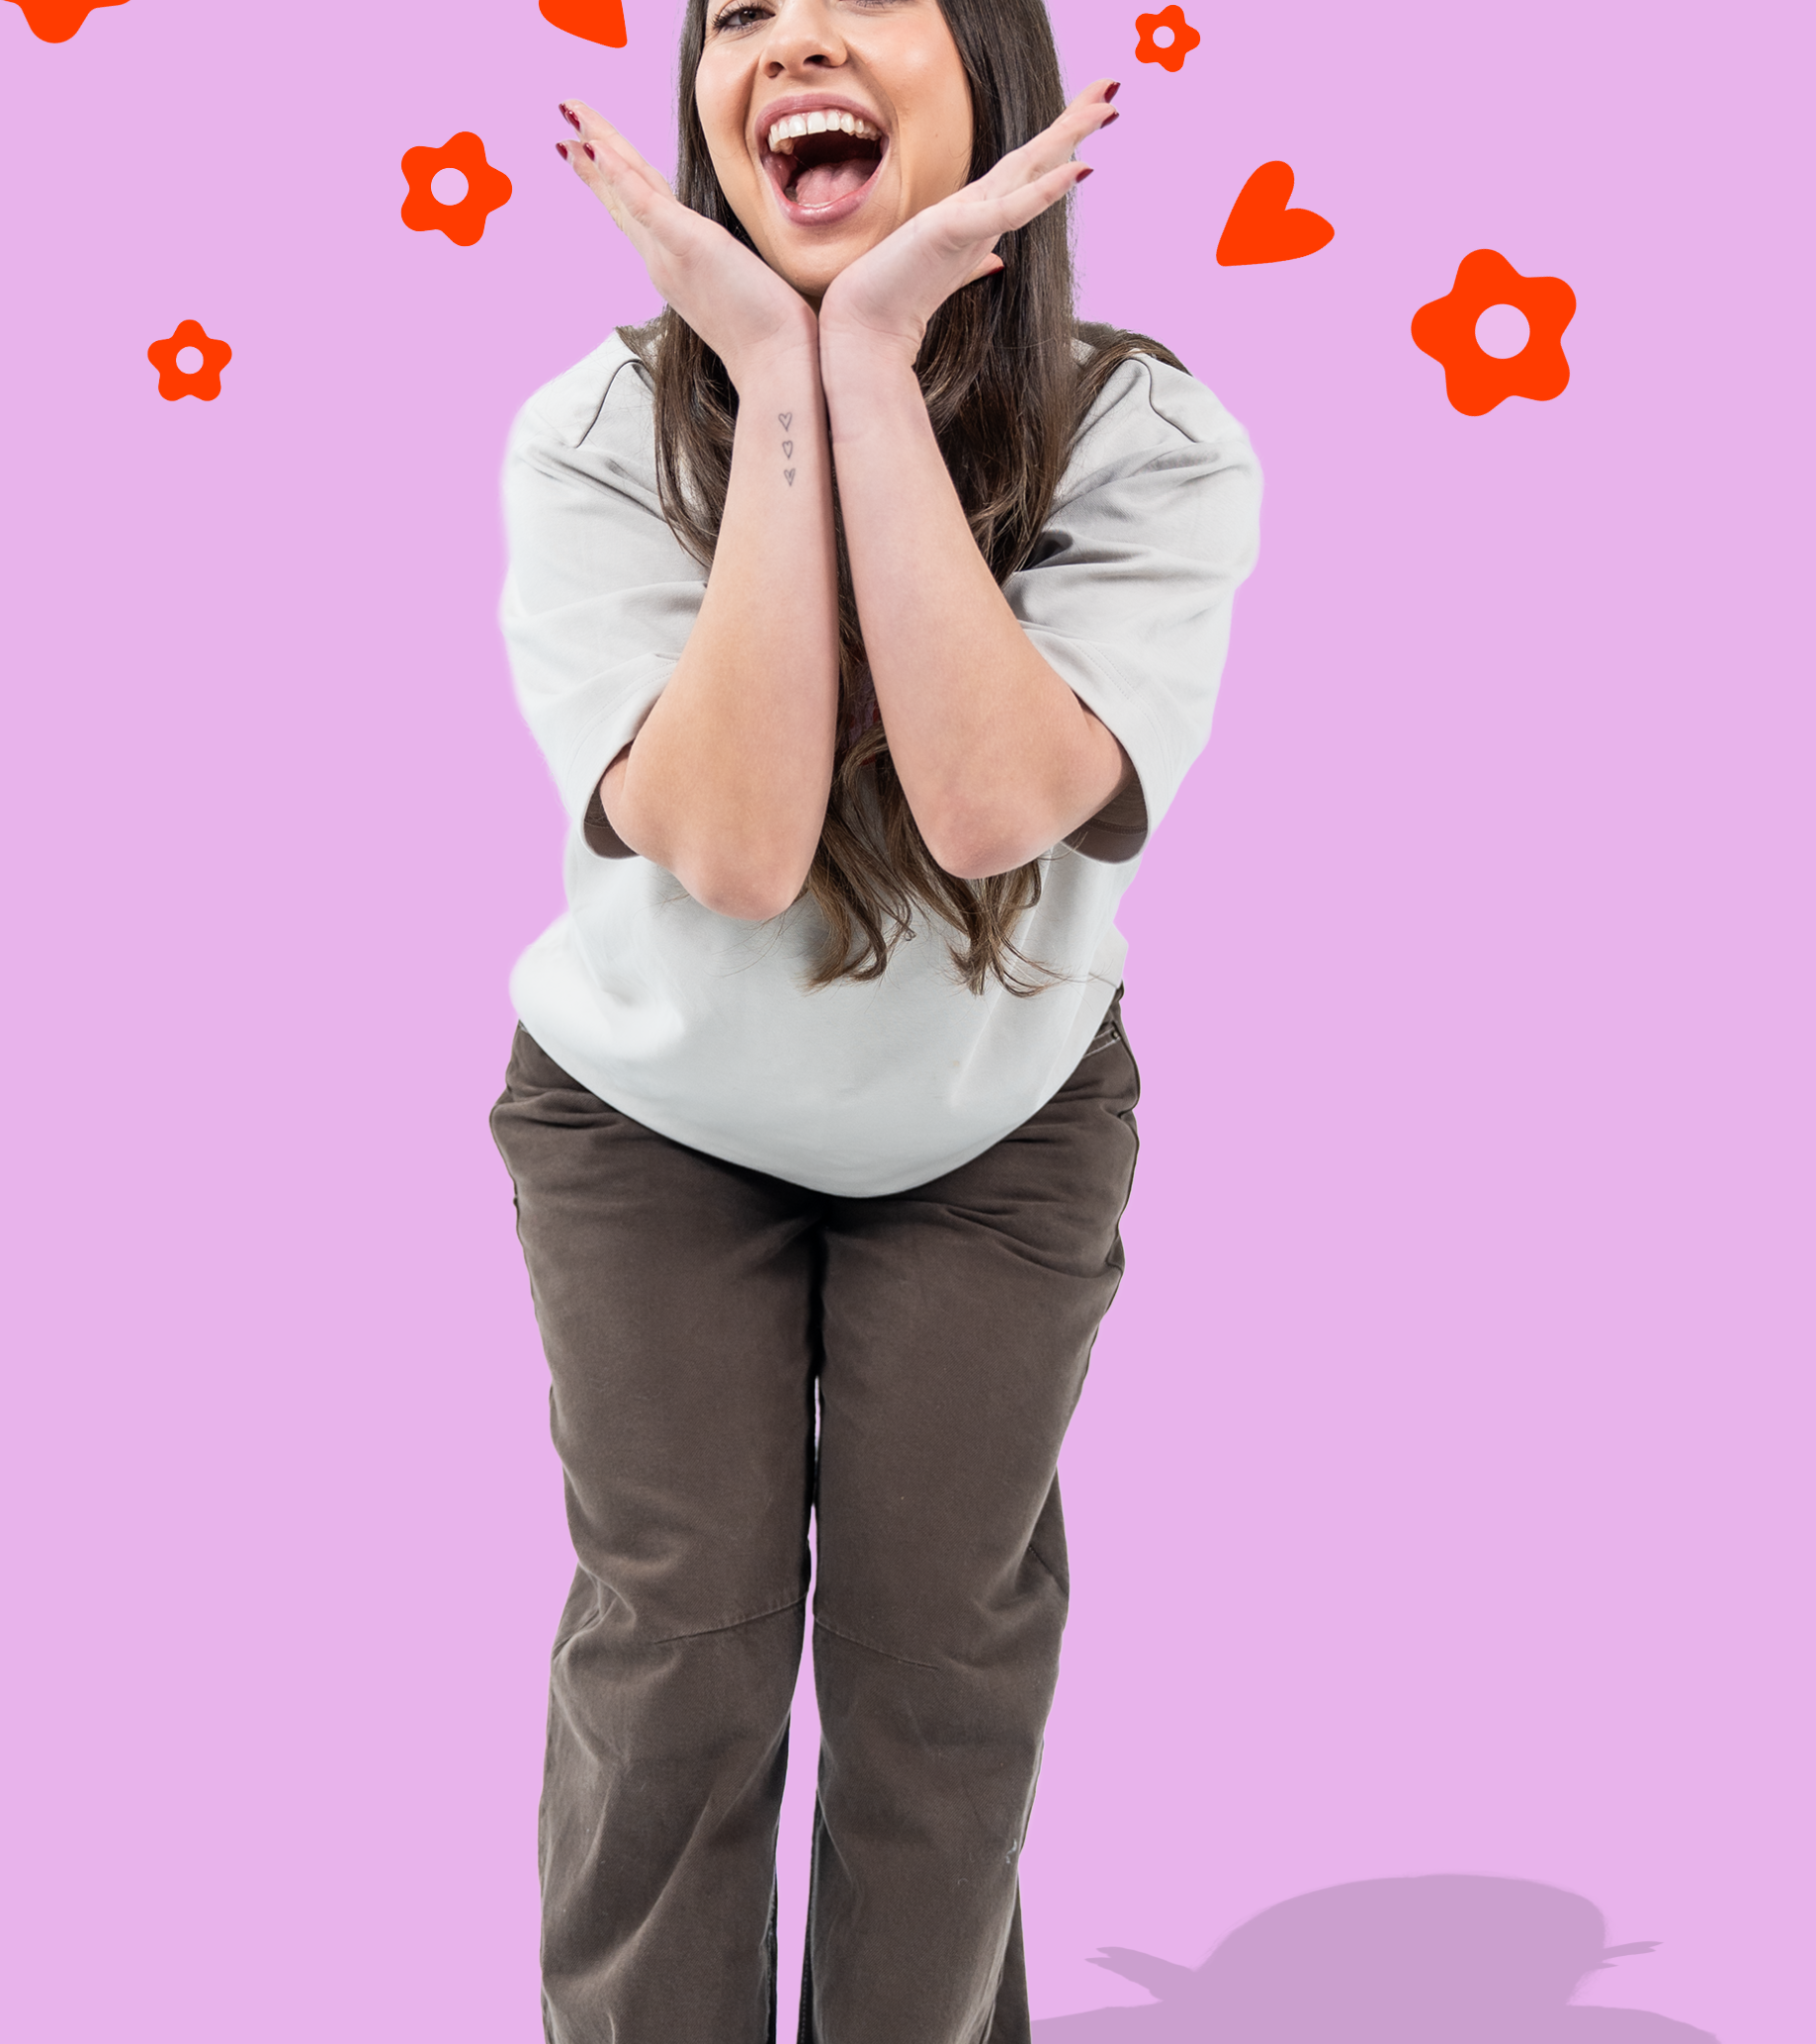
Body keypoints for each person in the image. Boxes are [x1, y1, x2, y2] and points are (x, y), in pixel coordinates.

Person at [489, 0, 1260, 2032]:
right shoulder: (587, 434)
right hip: (643, 1118)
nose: (784, 39)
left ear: (989, 81)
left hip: (989, 1125)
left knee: (940, 1669)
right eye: (737, 13)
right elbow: (734, 853)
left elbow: (997, 804)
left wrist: (866, 370)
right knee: (681, 1646)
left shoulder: (1149, 439)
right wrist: (773, 368)